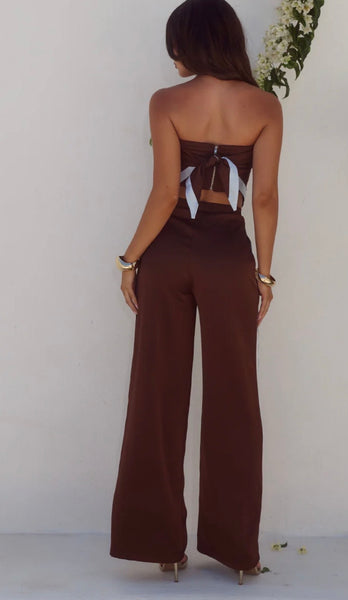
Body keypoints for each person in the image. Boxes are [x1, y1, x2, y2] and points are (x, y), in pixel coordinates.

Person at [109, 0, 283, 586]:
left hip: (169, 257)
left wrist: (129, 259)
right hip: (229, 259)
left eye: (177, 44)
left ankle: (160, 544)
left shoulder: (166, 102)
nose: (173, 56)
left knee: (156, 394)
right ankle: (240, 552)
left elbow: (165, 193)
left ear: (194, 43)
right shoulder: (265, 106)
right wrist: (264, 274)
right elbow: (264, 198)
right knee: (236, 397)